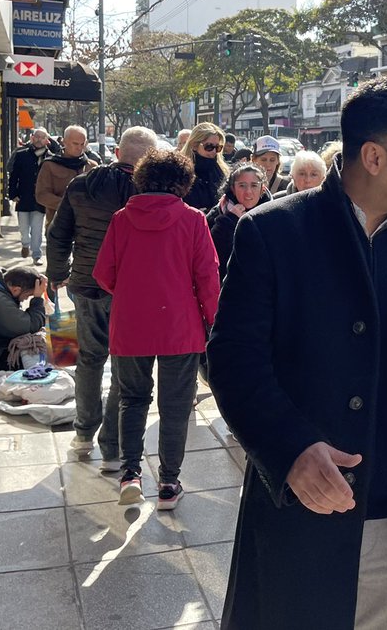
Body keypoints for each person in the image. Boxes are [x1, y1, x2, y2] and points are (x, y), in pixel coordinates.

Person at [207, 77, 387, 630]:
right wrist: (292, 448)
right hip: (307, 508)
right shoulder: (272, 232)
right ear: (372, 156)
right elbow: (232, 360)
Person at [93, 149, 220, 508]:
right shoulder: (193, 219)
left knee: (132, 399)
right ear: (183, 181)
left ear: (143, 177)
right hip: (180, 325)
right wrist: (213, 320)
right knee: (176, 406)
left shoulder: (122, 218)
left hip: (131, 324)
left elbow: (104, 273)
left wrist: (134, 292)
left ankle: (130, 472)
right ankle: (168, 483)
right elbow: (207, 278)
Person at [46, 127, 158, 472]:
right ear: (148, 158)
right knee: (124, 368)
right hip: (130, 290)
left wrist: (56, 271)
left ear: (118, 152)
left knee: (89, 360)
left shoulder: (83, 184)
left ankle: (82, 434)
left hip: (85, 283)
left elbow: (58, 233)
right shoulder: (150, 191)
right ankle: (111, 448)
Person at [207, 162, 273, 279]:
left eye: (254, 185)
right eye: (242, 185)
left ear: (262, 189)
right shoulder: (218, 213)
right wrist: (229, 220)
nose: (248, 192)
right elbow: (210, 253)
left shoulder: (274, 214)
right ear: (233, 188)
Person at [8, 127, 56, 263]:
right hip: (23, 197)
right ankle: (25, 244)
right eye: (37, 137)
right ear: (32, 138)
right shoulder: (22, 154)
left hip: (40, 199)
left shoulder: (50, 158)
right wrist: (13, 194)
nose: (40, 140)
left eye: (43, 137)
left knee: (37, 228)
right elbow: (14, 176)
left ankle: (36, 255)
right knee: (23, 228)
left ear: (47, 140)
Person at [35, 125, 94, 226]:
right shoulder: (50, 165)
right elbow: (41, 195)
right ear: (64, 141)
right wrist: (68, 204)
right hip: (58, 224)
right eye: (75, 144)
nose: (79, 148)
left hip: (86, 226)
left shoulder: (91, 166)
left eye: (82, 144)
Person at [179, 122, 229, 210]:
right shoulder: (180, 171)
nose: (214, 151)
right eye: (209, 146)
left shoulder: (221, 171)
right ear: (194, 145)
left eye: (218, 147)